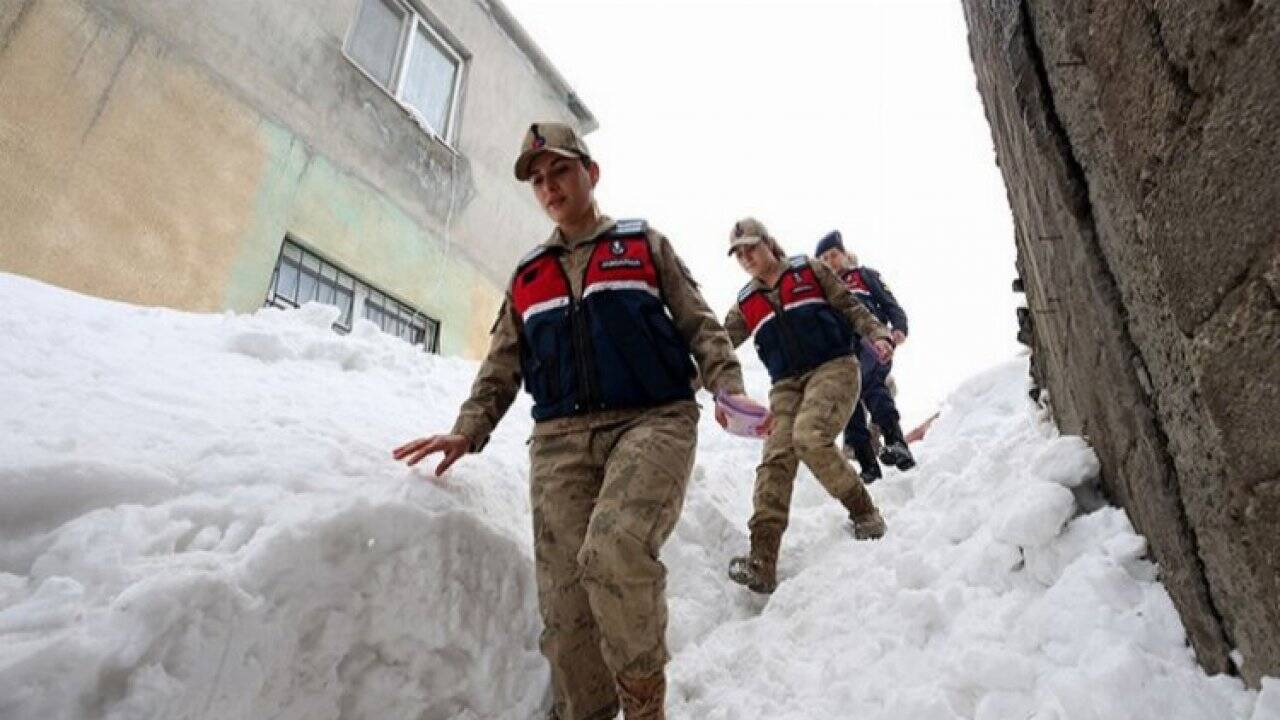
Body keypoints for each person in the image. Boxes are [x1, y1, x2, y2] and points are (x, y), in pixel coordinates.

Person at [392, 122, 765, 720]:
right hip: (560, 442)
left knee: (614, 549)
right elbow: (502, 365)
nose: (549, 186)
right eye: (537, 180)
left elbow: (701, 324)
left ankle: (645, 707)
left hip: (653, 420)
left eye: (559, 171)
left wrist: (727, 388)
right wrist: (468, 427)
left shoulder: (642, 244)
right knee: (565, 607)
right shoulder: (529, 274)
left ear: (590, 173)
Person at [719, 218, 894, 595]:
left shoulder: (808, 271)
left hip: (834, 367)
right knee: (776, 458)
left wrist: (878, 334)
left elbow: (850, 306)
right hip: (786, 386)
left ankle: (864, 511)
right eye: (739, 254)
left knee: (808, 436)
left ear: (769, 242)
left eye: (751, 247)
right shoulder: (747, 301)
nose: (746, 257)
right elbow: (716, 344)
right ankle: (761, 561)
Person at [815, 230, 915, 481]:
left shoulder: (863, 276)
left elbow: (889, 302)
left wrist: (899, 328)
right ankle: (867, 464)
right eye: (824, 258)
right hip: (841, 351)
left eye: (834, 255)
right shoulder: (824, 292)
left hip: (871, 341)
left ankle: (896, 441)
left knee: (873, 387)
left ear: (844, 254)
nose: (830, 261)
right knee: (849, 403)